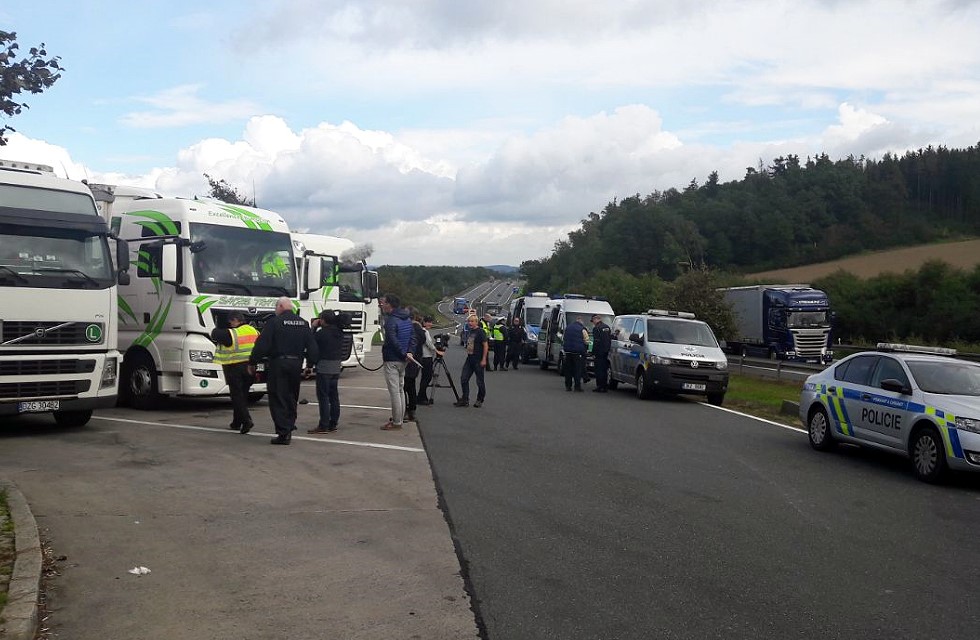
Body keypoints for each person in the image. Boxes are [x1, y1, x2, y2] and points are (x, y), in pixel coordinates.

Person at [249, 297, 318, 445]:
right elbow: (312, 345)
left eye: (276, 307)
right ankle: (289, 425)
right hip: (296, 363)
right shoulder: (303, 323)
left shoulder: (274, 322)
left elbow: (262, 345)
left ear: (280, 306)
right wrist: (310, 365)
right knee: (292, 397)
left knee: (278, 397)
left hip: (279, 364)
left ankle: (283, 432)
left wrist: (253, 361)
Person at [210, 311, 258, 434]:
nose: (230, 324)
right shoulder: (254, 331)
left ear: (236, 320)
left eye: (230, 321)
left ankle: (246, 420)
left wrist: (219, 325)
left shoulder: (232, 333)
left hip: (235, 366)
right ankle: (237, 422)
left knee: (237, 396)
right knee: (243, 395)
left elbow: (215, 334)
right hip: (250, 367)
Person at [308, 310, 353, 434]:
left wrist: (313, 327)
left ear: (323, 320)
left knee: (323, 397)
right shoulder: (339, 332)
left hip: (324, 367)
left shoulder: (321, 334)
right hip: (336, 366)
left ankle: (323, 425)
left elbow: (310, 345)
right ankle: (333, 423)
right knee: (334, 396)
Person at [379, 293, 417, 430]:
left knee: (395, 391)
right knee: (400, 390)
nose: (382, 305)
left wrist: (402, 353)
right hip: (404, 359)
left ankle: (396, 422)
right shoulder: (407, 318)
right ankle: (399, 419)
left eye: (384, 302)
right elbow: (413, 337)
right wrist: (409, 353)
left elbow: (392, 340)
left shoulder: (391, 320)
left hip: (392, 359)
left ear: (390, 305)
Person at [455, 314, 487, 408]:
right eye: (469, 321)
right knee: (464, 379)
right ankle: (465, 399)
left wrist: (484, 359)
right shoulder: (470, 331)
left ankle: (479, 399)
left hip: (478, 359)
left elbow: (485, 345)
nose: (470, 323)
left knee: (480, 381)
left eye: (472, 321)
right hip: (469, 358)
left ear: (476, 322)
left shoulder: (481, 332)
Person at [403, 309, 427, 422]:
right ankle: (412, 410)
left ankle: (406, 410)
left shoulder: (410, 328)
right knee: (411, 386)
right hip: (417, 359)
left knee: (405, 386)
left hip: (410, 359)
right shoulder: (420, 329)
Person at [417, 315, 444, 405]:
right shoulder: (425, 332)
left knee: (425, 377)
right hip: (426, 357)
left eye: (431, 322)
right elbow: (429, 343)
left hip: (424, 356)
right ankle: (421, 397)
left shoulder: (423, 331)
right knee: (427, 377)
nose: (430, 324)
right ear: (423, 322)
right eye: (428, 322)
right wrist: (437, 351)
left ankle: (422, 396)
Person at [562, 317, 590, 392]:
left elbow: (563, 338)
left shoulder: (567, 328)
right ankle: (577, 387)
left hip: (568, 352)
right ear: (581, 322)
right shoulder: (582, 329)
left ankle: (568, 386)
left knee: (568, 370)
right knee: (577, 370)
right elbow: (587, 341)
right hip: (577, 352)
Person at [591, 313, 612, 393]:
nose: (593, 323)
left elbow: (596, 342)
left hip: (599, 352)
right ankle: (604, 386)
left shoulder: (597, 328)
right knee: (604, 369)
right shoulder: (607, 327)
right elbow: (609, 339)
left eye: (593, 321)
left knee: (599, 369)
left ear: (596, 319)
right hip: (606, 351)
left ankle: (600, 386)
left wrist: (593, 352)